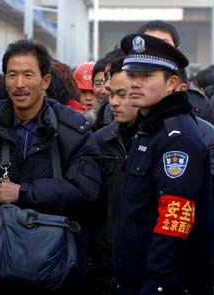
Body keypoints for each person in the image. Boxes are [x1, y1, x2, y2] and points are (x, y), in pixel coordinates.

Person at [0, 39, 101, 295]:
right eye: (12, 75)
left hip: (57, 268)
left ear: (45, 81)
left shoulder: (72, 130)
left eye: (28, 75)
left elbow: (86, 192)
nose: (19, 84)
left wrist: (23, 192)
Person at [112, 33, 214, 295]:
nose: (136, 83)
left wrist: (155, 287)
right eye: (133, 75)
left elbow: (174, 224)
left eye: (147, 76)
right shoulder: (150, 128)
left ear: (172, 84)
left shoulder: (176, 138)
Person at [89, 57, 139, 295]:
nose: (114, 103)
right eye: (110, 95)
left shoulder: (164, 141)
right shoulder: (100, 140)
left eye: (123, 94)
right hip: (105, 266)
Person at [137, 20, 214, 125]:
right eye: (150, 45)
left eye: (164, 45)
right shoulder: (128, 96)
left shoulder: (198, 102)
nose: (157, 51)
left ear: (177, 52)